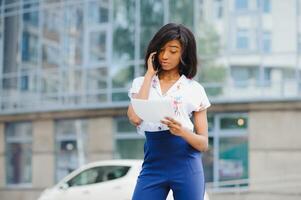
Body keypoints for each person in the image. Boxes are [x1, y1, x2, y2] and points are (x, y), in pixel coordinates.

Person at [127, 23, 211, 200]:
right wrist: (149, 76)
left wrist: (182, 131)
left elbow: (203, 144)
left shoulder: (194, 89)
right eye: (161, 50)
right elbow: (135, 117)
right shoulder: (141, 83)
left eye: (173, 51)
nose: (165, 56)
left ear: (184, 54)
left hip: (186, 163)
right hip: (153, 163)